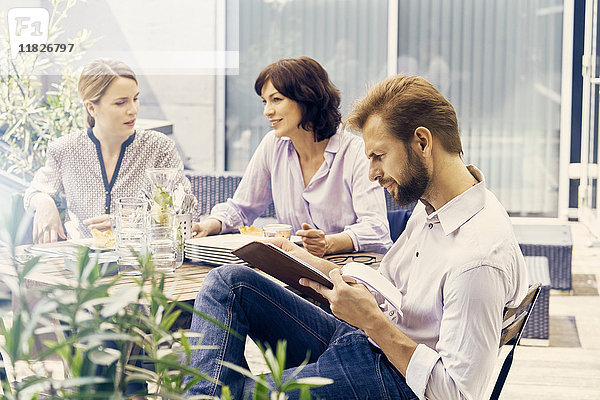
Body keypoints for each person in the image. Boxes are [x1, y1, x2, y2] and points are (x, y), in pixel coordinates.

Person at [185, 75, 529, 399]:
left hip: (396, 378)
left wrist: (372, 322)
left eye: (379, 156)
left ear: (422, 142)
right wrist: (304, 260)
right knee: (227, 283)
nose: (372, 173)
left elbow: (457, 393)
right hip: (365, 339)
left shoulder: (478, 259)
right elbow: (388, 290)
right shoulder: (435, 205)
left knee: (231, 393)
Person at [192, 56, 391, 257]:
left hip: (353, 274)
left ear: (307, 99)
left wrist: (328, 243)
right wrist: (210, 225)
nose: (267, 111)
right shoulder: (273, 145)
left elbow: (376, 229)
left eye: (276, 99)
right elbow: (242, 209)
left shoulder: (355, 153)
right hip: (298, 273)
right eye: (264, 102)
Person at [24, 59, 193, 243]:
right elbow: (35, 191)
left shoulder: (159, 147)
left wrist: (126, 222)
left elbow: (185, 208)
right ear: (91, 107)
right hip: (82, 265)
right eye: (120, 103)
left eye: (135, 99)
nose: (133, 110)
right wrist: (44, 202)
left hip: (142, 262)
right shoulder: (65, 149)